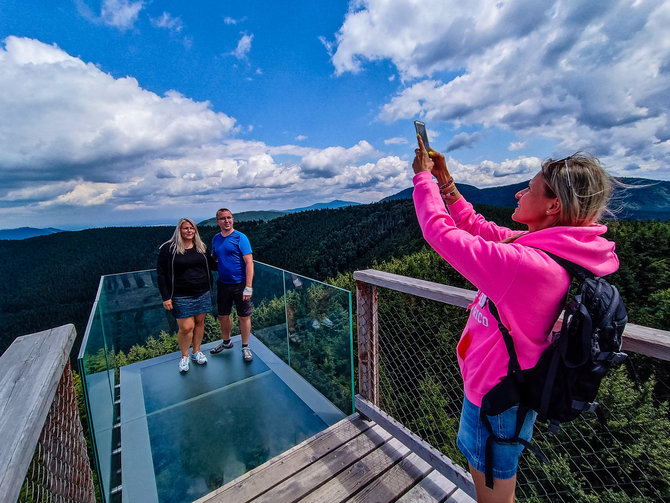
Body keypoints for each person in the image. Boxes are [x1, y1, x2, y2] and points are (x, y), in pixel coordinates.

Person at [411, 137, 619, 503]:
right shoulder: (555, 252)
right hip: (513, 390)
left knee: (493, 492)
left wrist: (424, 180)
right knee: (498, 480)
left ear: (554, 204)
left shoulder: (529, 266)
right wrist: (447, 184)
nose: (520, 193)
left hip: (495, 395)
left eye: (531, 188)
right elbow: (482, 230)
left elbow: (440, 234)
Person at [157, 218, 215, 373]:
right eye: (185, 228)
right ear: (179, 230)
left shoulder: (201, 247)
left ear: (195, 230)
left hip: (203, 292)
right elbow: (161, 274)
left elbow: (212, 265)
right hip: (181, 295)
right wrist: (166, 296)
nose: (189, 231)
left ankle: (196, 351)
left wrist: (234, 258)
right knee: (186, 327)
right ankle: (184, 356)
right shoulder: (169, 249)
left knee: (199, 323)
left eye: (192, 228)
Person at [209, 208, 255, 362]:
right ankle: (226, 342)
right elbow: (214, 257)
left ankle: (245, 347)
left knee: (243, 316)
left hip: (240, 284)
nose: (226, 221)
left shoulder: (240, 237)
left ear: (233, 219)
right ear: (218, 221)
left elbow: (249, 262)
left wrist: (248, 286)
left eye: (229, 218)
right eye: (223, 218)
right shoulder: (216, 238)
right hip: (223, 284)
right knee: (223, 315)